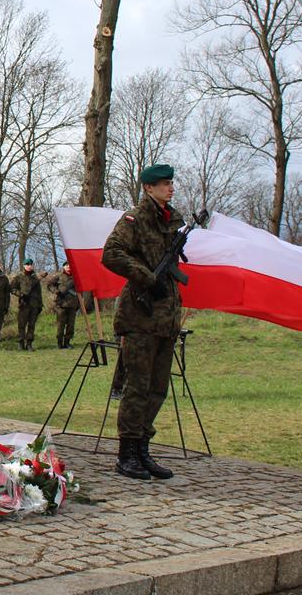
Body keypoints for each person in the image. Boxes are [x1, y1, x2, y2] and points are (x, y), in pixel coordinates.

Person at [101, 163, 182, 482]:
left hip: (166, 318)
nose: (170, 188)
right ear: (149, 188)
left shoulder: (171, 221)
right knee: (137, 387)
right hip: (140, 315)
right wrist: (147, 278)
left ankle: (144, 449)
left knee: (157, 388)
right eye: (163, 184)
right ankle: (127, 454)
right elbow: (111, 254)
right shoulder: (134, 219)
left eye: (171, 183)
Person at [11, 258, 43, 351]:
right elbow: (12, 288)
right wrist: (20, 294)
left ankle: (29, 344)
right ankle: (21, 343)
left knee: (31, 325)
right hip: (24, 304)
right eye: (27, 264)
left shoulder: (35, 278)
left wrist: (40, 305)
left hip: (35, 304)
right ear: (24, 266)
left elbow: (39, 293)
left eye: (31, 264)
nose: (29, 266)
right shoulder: (19, 277)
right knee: (21, 325)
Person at [48, 260, 80, 349]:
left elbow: (81, 290)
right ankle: (59, 343)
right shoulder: (58, 277)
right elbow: (49, 285)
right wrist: (56, 291)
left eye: (70, 265)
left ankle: (67, 342)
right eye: (66, 265)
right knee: (60, 325)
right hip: (61, 304)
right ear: (64, 267)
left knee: (70, 325)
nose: (68, 267)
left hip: (73, 304)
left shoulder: (76, 277)